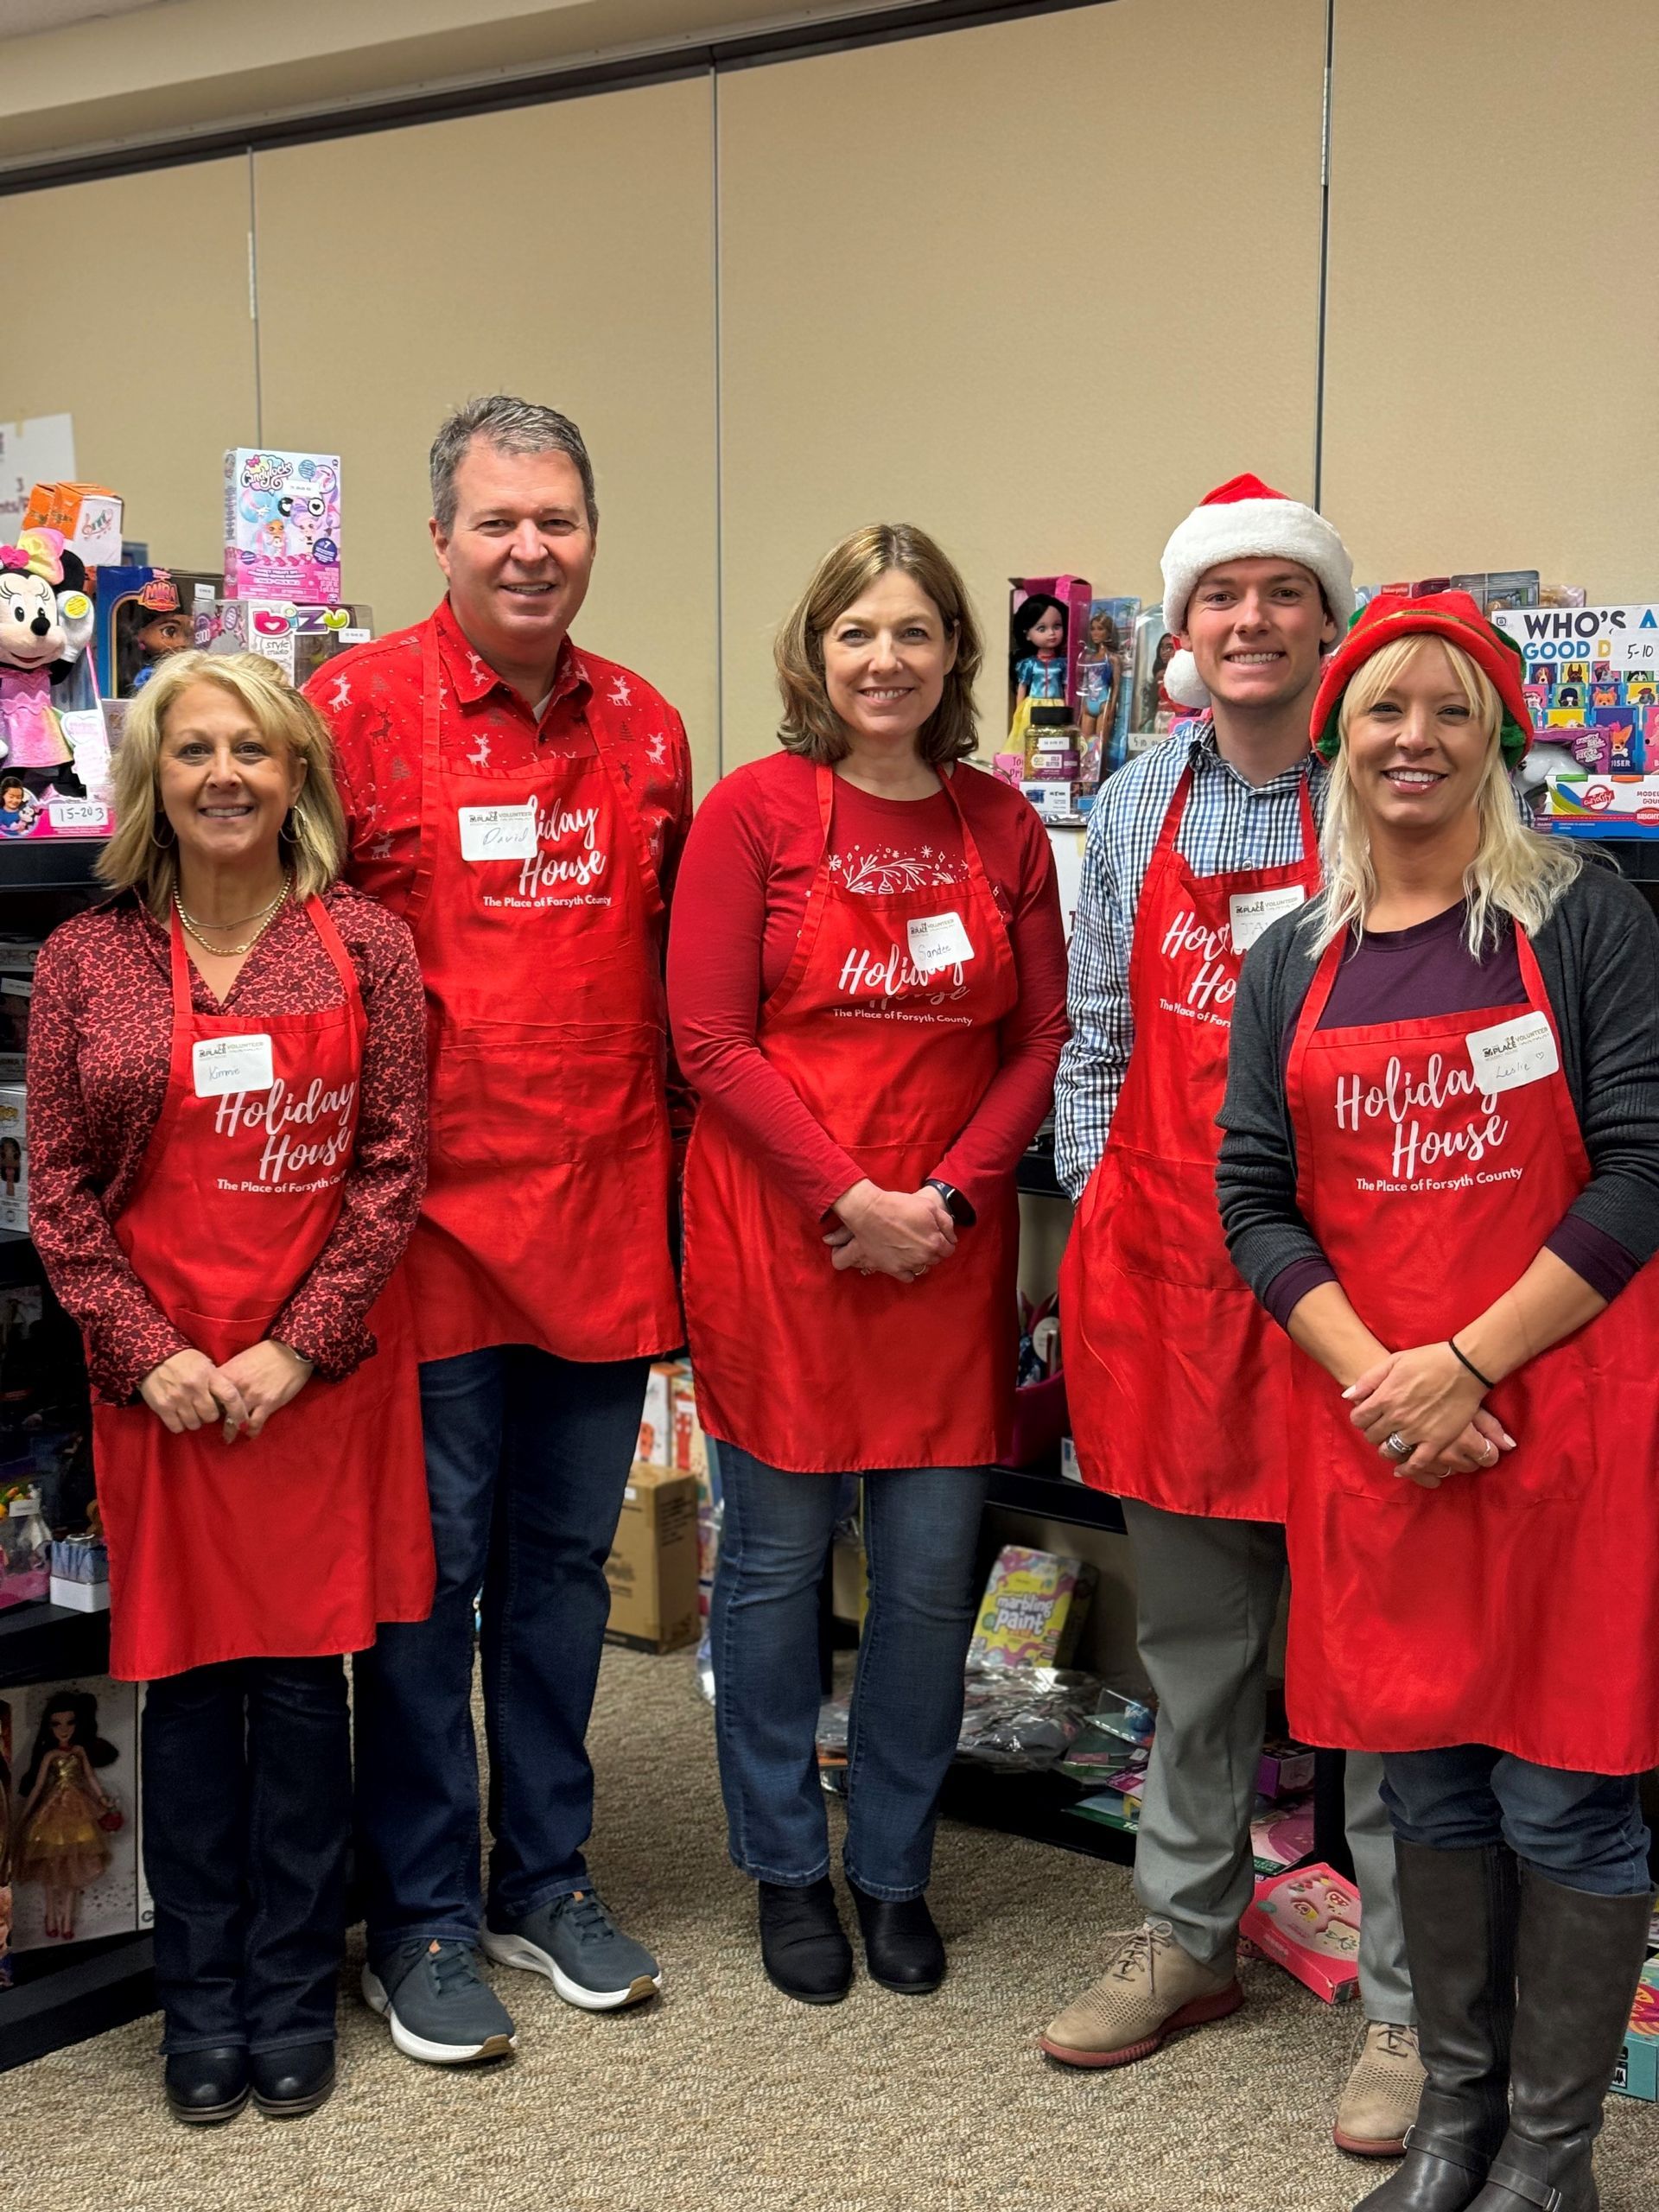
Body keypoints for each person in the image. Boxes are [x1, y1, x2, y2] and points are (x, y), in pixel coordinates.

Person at [1218, 591, 1659, 2212]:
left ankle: (1555, 2153)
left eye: (1451, 711)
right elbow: (1254, 1200)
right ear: (1338, 741)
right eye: (1385, 710)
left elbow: (1644, 1168)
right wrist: (1385, 1384)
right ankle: (1460, 2116)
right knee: (1436, 1784)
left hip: (1563, 1424)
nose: (1415, 739)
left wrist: (1468, 1363)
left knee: (1566, 1790)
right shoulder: (1295, 962)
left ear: (1498, 741)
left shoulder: (1582, 920)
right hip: (1388, 1439)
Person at [304, 396, 693, 2067]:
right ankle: (421, 1914)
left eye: (560, 519)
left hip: (603, 1210)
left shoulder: (655, 727)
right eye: (498, 521)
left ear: (593, 532)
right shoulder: (350, 712)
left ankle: (542, 1873)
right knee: (425, 1580)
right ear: (442, 538)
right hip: (424, 1230)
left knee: (555, 1579)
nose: (532, 548)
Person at [1049, 477, 1421, 2158]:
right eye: (1222, 598)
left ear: (1326, 627)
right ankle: (1190, 1938)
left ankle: (1416, 2007)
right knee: (1197, 1654)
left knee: (1389, 1668)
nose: (1251, 622)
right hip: (1176, 1280)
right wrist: (1096, 1221)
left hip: (1363, 1290)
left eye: (1283, 594)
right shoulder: (1132, 802)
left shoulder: (1397, 794)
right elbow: (1103, 1036)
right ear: (1182, 635)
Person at [28, 650, 433, 2125]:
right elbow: (59, 1191)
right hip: (166, 1396)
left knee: (302, 1697)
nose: (222, 776)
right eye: (192, 750)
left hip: (312, 1386)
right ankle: (198, 2001)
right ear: (151, 780)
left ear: (295, 777)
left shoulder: (366, 948)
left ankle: (288, 1985)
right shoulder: (87, 960)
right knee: (187, 1703)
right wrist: (156, 1357)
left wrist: (294, 1343)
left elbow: (392, 1173)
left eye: (251, 751)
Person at [669, 524, 1066, 2002]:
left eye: (914, 632)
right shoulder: (754, 814)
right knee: (771, 1570)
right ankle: (784, 1866)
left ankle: (893, 1866)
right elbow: (708, 1038)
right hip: (784, 1238)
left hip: (942, 1257)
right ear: (814, 651)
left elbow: (1037, 1038)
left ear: (956, 653)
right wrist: (849, 1193)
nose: (885, 659)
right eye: (857, 632)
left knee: (921, 1580)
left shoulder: (1002, 824)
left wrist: (951, 1205)